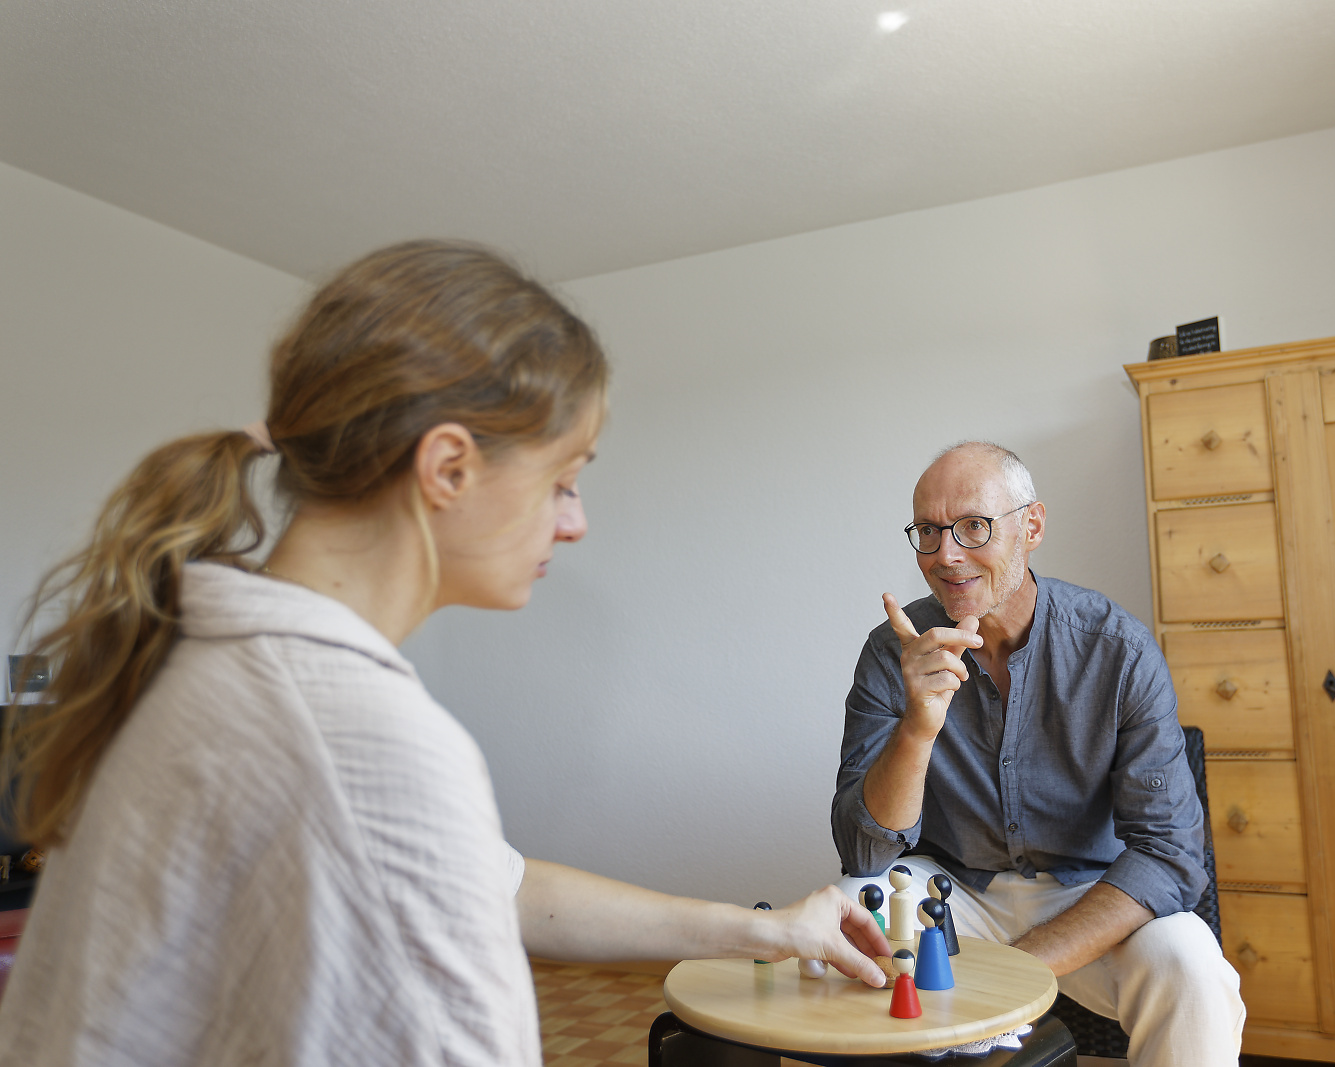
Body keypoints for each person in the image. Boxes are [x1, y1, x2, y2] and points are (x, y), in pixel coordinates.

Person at [0, 240, 889, 1067]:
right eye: (563, 480)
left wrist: (772, 931)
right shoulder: (361, 744)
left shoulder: (209, 655)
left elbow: (495, 885)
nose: (575, 521)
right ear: (449, 467)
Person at [830, 441, 1244, 1067]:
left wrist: (1016, 970)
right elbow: (863, 853)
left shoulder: (1119, 650)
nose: (947, 555)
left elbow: (1169, 855)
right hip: (953, 892)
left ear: (1032, 525)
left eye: (973, 526)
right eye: (929, 532)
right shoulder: (895, 652)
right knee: (845, 922)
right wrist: (917, 728)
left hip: (1089, 894)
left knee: (1192, 963)